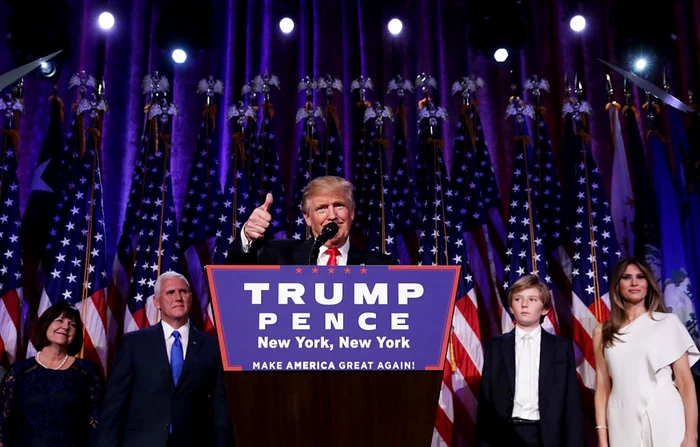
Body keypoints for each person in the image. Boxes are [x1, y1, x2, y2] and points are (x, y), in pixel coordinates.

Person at [97, 272, 234, 447]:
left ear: (190, 298)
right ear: (157, 302)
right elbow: (115, 403)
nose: (178, 297)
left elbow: (220, 405)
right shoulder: (134, 343)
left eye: (183, 292)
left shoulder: (211, 346)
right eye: (170, 292)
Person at [593, 257, 699, 447]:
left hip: (665, 415)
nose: (634, 283)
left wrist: (691, 436)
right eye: (627, 277)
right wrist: (602, 440)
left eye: (640, 277)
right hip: (622, 419)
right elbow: (602, 389)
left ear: (648, 284)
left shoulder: (667, 323)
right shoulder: (603, 332)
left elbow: (685, 382)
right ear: (617, 285)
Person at [476, 275, 583, 447]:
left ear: (545, 309)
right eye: (518, 299)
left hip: (546, 435)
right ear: (511, 307)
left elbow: (571, 402)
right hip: (505, 435)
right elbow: (486, 401)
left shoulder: (560, 348)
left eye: (532, 299)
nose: (524, 304)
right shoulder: (496, 347)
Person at [225, 175, 394, 266]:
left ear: (352, 213)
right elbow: (234, 276)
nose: (332, 215)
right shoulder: (279, 256)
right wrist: (247, 236)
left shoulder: (381, 266)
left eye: (339, 205)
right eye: (321, 208)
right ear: (307, 217)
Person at [0, 302, 103, 446]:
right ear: (45, 325)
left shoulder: (87, 372)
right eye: (60, 320)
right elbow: (3, 422)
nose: (66, 327)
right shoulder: (20, 371)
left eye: (72, 324)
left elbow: (96, 422)